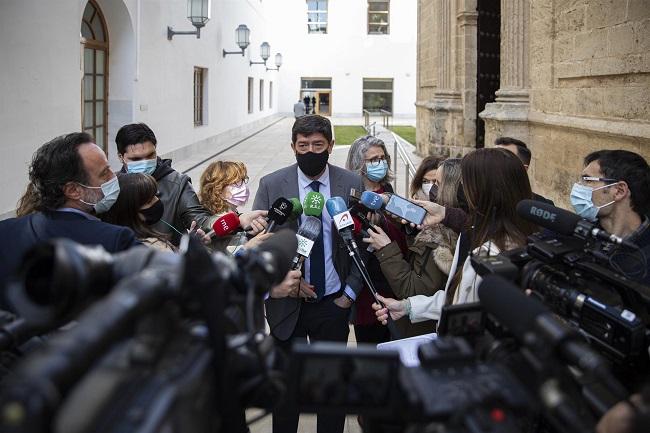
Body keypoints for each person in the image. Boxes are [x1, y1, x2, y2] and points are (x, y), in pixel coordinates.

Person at [253, 114, 365, 433]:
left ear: (331, 145)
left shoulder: (350, 183)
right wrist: (279, 284)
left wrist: (348, 295)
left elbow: (361, 245)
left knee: (330, 392)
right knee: (285, 393)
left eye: (318, 144)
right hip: (286, 304)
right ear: (293, 147)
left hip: (333, 303)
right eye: (303, 145)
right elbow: (260, 247)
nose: (310, 151)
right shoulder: (272, 184)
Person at [373, 148, 538, 326]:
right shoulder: (478, 232)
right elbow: (459, 297)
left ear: (484, 192)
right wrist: (408, 307)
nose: (462, 190)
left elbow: (471, 308)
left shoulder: (493, 253)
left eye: (466, 183)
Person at [1, 132, 140, 297]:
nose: (113, 176)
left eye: (110, 168)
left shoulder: (5, 231)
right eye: (104, 173)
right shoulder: (116, 240)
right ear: (73, 190)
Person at [115, 123, 267, 246]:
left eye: (150, 156)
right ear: (121, 157)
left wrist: (236, 220)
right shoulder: (113, 187)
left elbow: (200, 220)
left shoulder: (177, 183)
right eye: (136, 159)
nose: (144, 163)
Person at [364, 158, 461, 336]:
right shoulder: (441, 223)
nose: (432, 189)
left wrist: (386, 249)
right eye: (427, 182)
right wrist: (388, 202)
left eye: (437, 183)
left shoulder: (441, 241)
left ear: (451, 189)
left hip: (423, 333)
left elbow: (413, 290)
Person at [345, 135, 407, 344]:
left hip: (393, 276)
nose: (380, 163)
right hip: (367, 283)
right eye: (373, 159)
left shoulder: (387, 191)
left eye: (382, 158)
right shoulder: (351, 196)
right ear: (358, 163)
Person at [571, 150, 650, 284]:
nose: (578, 187)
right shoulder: (578, 234)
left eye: (587, 180)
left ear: (619, 191)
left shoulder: (645, 256)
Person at [101, 173, 176, 252]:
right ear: (128, 212)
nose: (157, 201)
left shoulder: (112, 243)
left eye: (156, 195)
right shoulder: (155, 248)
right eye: (149, 201)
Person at [199, 161, 252, 252]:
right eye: (235, 183)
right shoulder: (218, 224)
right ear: (217, 189)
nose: (243, 187)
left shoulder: (234, 215)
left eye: (243, 181)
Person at [494, 136, 554, 205]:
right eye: (492, 155)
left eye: (503, 158)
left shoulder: (542, 206)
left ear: (523, 169)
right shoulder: (481, 200)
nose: (494, 162)